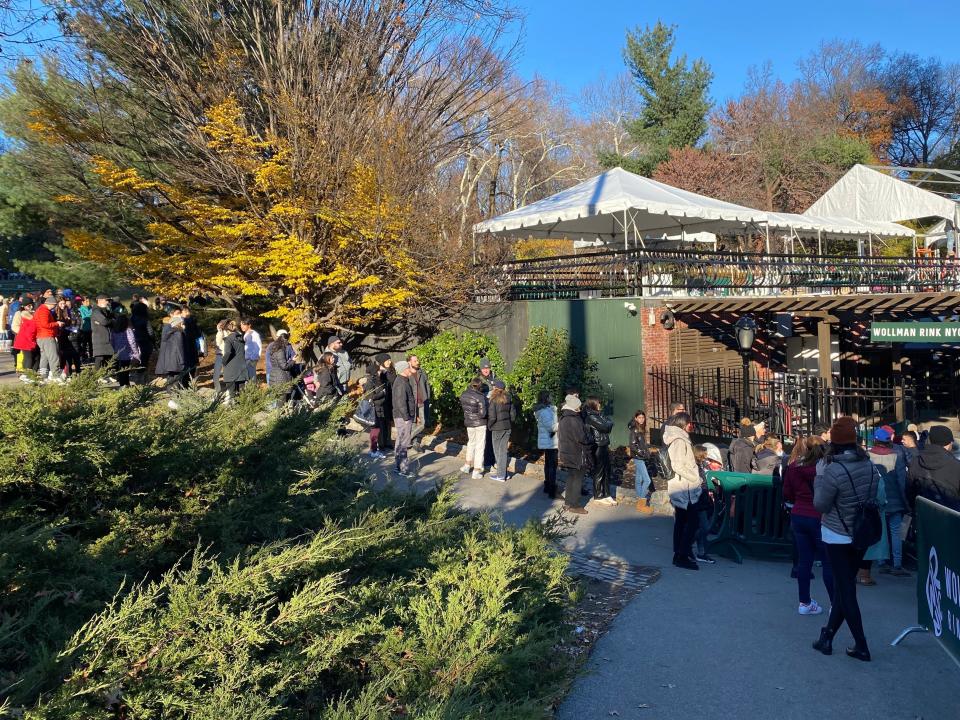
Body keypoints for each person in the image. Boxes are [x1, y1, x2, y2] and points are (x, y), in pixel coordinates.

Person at [812, 416, 878, 662]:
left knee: (846, 590)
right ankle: (827, 636)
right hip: (861, 532)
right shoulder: (869, 464)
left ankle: (861, 644)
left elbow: (820, 504)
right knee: (845, 586)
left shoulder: (832, 470)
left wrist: (819, 476)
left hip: (837, 532)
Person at [783, 435, 834, 615]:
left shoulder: (793, 467)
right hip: (820, 516)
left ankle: (804, 602)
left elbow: (787, 492)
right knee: (829, 562)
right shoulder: (827, 468)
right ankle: (835, 604)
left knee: (804, 561)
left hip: (799, 514)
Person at [870, 426, 910, 577]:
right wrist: (905, 501)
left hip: (877, 500)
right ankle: (897, 564)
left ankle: (881, 562)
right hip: (895, 500)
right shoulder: (896, 456)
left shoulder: (869, 456)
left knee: (881, 532)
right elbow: (901, 482)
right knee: (895, 532)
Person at [663, 412, 702, 570]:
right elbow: (678, 465)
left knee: (681, 522)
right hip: (684, 487)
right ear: (683, 423)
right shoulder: (679, 440)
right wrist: (694, 478)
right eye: (689, 423)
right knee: (691, 522)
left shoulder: (679, 438)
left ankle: (679, 554)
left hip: (682, 487)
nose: (690, 426)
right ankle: (682, 554)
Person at [908, 424, 960, 511]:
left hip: (923, 515)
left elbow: (910, 491)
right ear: (949, 443)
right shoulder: (957, 466)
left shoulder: (915, 461)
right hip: (950, 519)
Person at [557, 394, 590, 515]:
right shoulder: (575, 419)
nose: (580, 409)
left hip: (566, 452)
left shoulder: (563, 417)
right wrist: (589, 438)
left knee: (571, 477)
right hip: (576, 452)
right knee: (577, 478)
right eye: (579, 407)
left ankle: (568, 502)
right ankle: (574, 505)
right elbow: (581, 437)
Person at [584, 396, 616, 506]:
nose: (600, 405)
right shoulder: (591, 417)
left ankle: (607, 494)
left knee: (607, 470)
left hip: (604, 444)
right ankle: (598, 495)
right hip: (597, 446)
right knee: (599, 471)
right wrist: (608, 423)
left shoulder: (599, 415)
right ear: (593, 404)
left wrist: (608, 423)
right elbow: (605, 427)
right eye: (598, 403)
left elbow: (608, 423)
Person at [391, 360, 417, 478]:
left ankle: (398, 467)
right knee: (404, 443)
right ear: (404, 370)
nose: (410, 369)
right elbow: (401, 402)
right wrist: (407, 417)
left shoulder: (402, 381)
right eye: (409, 367)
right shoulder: (401, 383)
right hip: (403, 417)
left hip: (401, 416)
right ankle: (404, 469)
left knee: (400, 442)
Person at [460, 376, 488, 481]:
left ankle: (467, 465)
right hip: (480, 424)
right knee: (480, 446)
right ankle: (476, 470)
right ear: (480, 386)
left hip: (469, 422)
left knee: (471, 443)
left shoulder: (464, 394)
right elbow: (482, 413)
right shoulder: (480, 397)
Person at [486, 380, 514, 483]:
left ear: (496, 388)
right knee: (503, 451)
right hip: (507, 427)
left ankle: (501, 475)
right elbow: (513, 415)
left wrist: (489, 426)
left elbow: (492, 417)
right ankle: (504, 474)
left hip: (497, 428)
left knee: (498, 452)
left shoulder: (493, 400)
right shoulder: (509, 398)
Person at [534, 390, 559, 498]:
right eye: (550, 396)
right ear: (546, 398)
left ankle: (548, 485)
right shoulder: (544, 411)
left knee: (549, 463)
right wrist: (562, 423)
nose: (552, 397)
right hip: (550, 440)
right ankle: (551, 489)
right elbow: (551, 427)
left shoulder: (547, 409)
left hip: (549, 440)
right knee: (552, 465)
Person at [628, 411, 654, 514]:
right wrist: (643, 453)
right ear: (635, 418)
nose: (642, 419)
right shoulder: (634, 430)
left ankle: (639, 500)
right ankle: (641, 504)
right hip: (638, 457)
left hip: (640, 457)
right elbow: (633, 445)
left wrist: (646, 451)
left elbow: (642, 444)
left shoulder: (641, 429)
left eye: (643, 417)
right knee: (647, 480)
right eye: (639, 417)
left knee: (639, 479)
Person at [34, 295, 62, 382]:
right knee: (53, 357)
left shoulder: (40, 310)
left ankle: (44, 376)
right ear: (51, 304)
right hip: (47, 336)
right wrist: (57, 323)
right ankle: (56, 376)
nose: (54, 307)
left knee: (44, 357)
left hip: (41, 337)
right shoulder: (44, 311)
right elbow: (45, 324)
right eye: (54, 305)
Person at [154, 313, 187, 386]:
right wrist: (182, 361)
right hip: (176, 360)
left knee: (170, 378)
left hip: (168, 361)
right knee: (177, 380)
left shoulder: (167, 333)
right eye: (181, 323)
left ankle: (170, 393)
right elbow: (180, 348)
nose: (182, 325)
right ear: (177, 324)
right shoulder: (178, 333)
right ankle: (176, 396)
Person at [407, 354, 431, 452]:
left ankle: (407, 440)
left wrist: (428, 398)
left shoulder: (422, 372)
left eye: (417, 360)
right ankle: (415, 444)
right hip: (412, 403)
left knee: (423, 423)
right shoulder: (407, 373)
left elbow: (427, 386)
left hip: (422, 402)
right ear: (409, 362)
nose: (418, 362)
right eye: (415, 361)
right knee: (413, 423)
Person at [110, 314, 141, 387]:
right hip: (127, 353)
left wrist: (115, 351)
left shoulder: (114, 331)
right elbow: (132, 342)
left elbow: (112, 342)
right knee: (126, 370)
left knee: (121, 370)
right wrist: (136, 353)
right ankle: (126, 385)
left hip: (118, 353)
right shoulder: (128, 330)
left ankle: (122, 385)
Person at [220, 320, 247, 400]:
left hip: (231, 371)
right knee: (241, 395)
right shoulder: (241, 338)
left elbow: (228, 352)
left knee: (232, 396)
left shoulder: (228, 339)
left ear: (226, 330)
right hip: (242, 369)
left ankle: (234, 411)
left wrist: (223, 362)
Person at [267, 330, 297, 404]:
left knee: (278, 400)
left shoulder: (274, 347)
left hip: (274, 374)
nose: (287, 343)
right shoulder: (280, 350)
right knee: (281, 402)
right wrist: (293, 361)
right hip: (280, 377)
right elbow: (284, 366)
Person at [128, 301, 153, 384]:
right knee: (145, 360)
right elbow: (150, 332)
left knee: (137, 360)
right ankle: (143, 379)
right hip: (145, 340)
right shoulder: (145, 320)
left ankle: (137, 377)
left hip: (134, 340)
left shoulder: (131, 318)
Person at [91, 294, 116, 372]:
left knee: (108, 357)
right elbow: (104, 321)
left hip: (106, 337)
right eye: (106, 300)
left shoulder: (105, 311)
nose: (108, 302)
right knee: (99, 358)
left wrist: (110, 320)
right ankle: (96, 377)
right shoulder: (96, 311)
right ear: (100, 301)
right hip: (100, 338)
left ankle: (106, 374)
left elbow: (107, 320)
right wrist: (112, 321)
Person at [373, 354, 394, 451]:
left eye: (390, 360)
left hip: (389, 401)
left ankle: (387, 442)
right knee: (379, 424)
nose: (390, 362)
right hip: (379, 402)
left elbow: (392, 381)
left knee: (388, 422)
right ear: (382, 362)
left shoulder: (390, 371)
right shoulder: (377, 373)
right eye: (387, 360)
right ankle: (378, 444)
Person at [12, 301, 37, 379]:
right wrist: (23, 333)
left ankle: (29, 373)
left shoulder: (33, 314)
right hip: (25, 338)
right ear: (24, 306)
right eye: (29, 305)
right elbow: (15, 326)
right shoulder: (20, 314)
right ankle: (27, 374)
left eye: (31, 305)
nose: (31, 307)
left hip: (29, 338)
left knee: (31, 357)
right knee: (28, 357)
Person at [212, 319, 229, 395]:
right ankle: (218, 391)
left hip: (227, 355)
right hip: (219, 355)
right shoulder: (219, 333)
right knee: (216, 376)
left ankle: (229, 392)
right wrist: (219, 331)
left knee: (227, 375)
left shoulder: (230, 333)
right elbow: (218, 343)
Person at [77, 296, 93, 361]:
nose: (88, 302)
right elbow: (84, 317)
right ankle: (83, 356)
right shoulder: (80, 309)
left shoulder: (91, 308)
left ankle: (91, 356)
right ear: (82, 302)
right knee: (84, 344)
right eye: (86, 301)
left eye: (88, 301)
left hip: (91, 329)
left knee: (91, 343)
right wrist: (91, 316)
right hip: (84, 329)